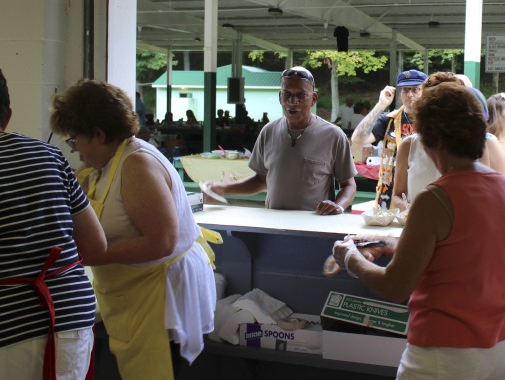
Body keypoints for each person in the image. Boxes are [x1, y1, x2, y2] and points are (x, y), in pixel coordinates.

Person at [332, 83, 505, 379]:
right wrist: (393, 244)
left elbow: (395, 286)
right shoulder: (503, 188)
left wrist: (349, 257)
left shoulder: (435, 198)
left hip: (448, 351)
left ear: (431, 139)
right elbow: (462, 251)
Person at [49, 79, 217, 380]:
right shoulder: (101, 167)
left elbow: (162, 241)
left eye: (75, 140)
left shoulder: (137, 164)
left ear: (99, 134)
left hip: (161, 298)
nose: (75, 150)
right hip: (133, 294)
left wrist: (93, 256)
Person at [0, 68, 107, 380]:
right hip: (71, 318)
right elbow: (94, 245)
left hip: (10, 328)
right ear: (7, 117)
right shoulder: (49, 155)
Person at [208, 67, 356, 214]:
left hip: (315, 225)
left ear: (313, 99)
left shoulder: (333, 136)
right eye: (287, 94)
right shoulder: (268, 131)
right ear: (280, 97)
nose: (292, 101)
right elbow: (261, 181)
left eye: (301, 95)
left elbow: (348, 185)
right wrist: (224, 188)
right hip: (273, 224)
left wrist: (339, 206)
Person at [390, 73, 505, 208]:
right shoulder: (409, 145)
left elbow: (484, 193)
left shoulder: (478, 146)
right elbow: (397, 194)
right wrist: (408, 208)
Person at [351, 69, 427, 207]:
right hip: (389, 195)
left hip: (423, 191)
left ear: (424, 91)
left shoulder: (434, 120)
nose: (410, 94)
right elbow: (358, 139)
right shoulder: (389, 120)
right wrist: (381, 105)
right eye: (405, 90)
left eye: (416, 89)